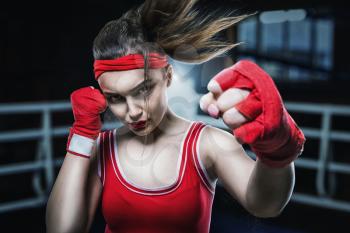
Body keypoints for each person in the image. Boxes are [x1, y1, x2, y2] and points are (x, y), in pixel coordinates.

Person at [45, 0, 306, 233]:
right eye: (116, 98)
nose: (133, 110)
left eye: (143, 89)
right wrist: (81, 136)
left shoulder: (205, 144)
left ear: (167, 76)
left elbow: (265, 205)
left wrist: (277, 149)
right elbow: (62, 228)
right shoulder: (102, 147)